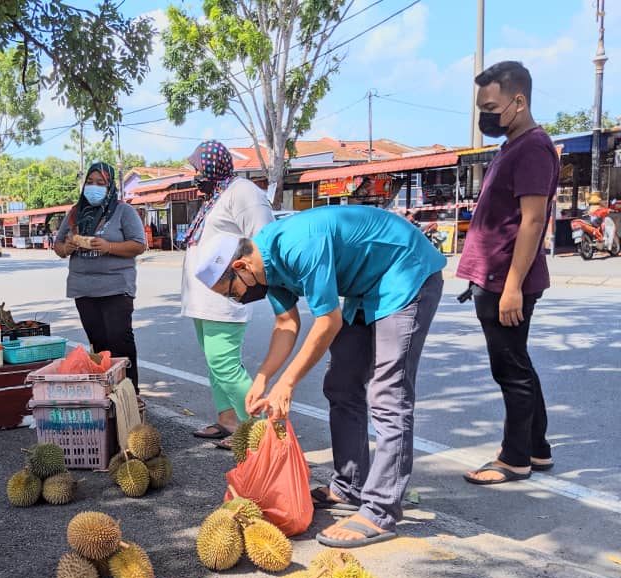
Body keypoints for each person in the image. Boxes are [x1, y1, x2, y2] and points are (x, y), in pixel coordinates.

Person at [195, 205, 446, 548]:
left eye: (231, 291)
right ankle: (349, 486)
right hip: (366, 287)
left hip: (405, 272)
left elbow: (328, 321)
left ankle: (382, 509)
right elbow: (286, 324)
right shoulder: (266, 269)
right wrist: (263, 378)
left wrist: (287, 384)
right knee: (341, 385)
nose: (236, 299)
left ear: (240, 267)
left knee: (389, 394)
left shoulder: (298, 246)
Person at [457, 61, 558, 485]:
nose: (486, 115)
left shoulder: (533, 147)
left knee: (510, 369)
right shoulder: (513, 146)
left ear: (519, 101)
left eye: (491, 105)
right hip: (494, 279)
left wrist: (512, 286)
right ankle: (536, 448)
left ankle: (514, 458)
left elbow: (533, 221)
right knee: (519, 363)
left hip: (505, 281)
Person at [181, 140, 274, 449]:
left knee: (225, 364)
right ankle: (229, 421)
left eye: (198, 168)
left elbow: (264, 240)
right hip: (202, 300)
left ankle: (261, 432)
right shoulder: (216, 195)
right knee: (213, 363)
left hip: (226, 297)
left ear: (212, 166)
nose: (195, 174)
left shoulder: (242, 192)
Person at [52, 162, 147, 391]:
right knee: (98, 344)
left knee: (119, 340)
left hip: (116, 287)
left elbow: (139, 245)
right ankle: (106, 389)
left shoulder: (123, 211)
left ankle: (129, 391)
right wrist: (68, 247)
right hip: (83, 288)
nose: (94, 187)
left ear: (110, 186)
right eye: (90, 182)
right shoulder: (75, 213)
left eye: (100, 183)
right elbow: (58, 246)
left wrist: (108, 246)